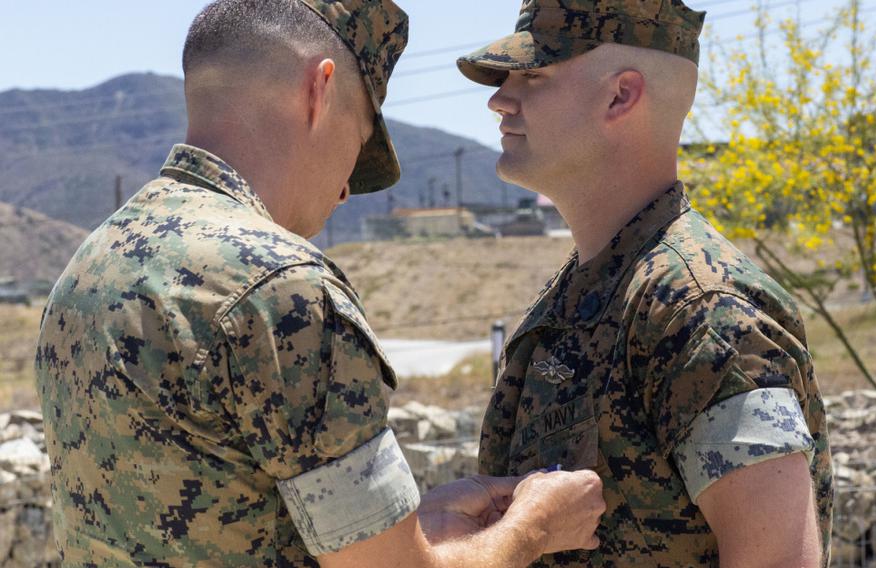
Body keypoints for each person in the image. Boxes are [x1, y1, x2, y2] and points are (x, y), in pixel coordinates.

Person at [33, 0, 606, 566]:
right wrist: (536, 526)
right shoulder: (281, 287)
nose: (344, 193)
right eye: (357, 142)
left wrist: (410, 524)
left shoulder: (93, 263)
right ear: (320, 89)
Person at [456, 1, 833, 566]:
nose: (500, 100)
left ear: (620, 96)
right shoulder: (593, 286)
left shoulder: (703, 312)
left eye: (532, 75)